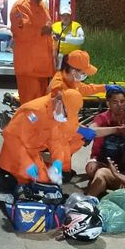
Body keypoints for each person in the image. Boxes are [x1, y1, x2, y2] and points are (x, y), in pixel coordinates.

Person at [0, 89, 83, 185]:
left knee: (44, 181)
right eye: (66, 114)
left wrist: (58, 161)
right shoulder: (34, 112)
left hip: (32, 154)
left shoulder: (55, 115)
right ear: (59, 102)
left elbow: (55, 140)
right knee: (19, 185)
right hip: (15, 153)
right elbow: (10, 136)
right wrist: (27, 163)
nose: (65, 118)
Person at [46, 50, 110, 180]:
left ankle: (62, 164)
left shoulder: (69, 78)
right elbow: (58, 120)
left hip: (64, 125)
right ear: (74, 71)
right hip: (53, 127)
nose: (85, 75)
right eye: (84, 72)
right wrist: (79, 128)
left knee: (80, 137)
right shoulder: (58, 87)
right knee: (71, 137)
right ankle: (60, 168)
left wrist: (105, 87)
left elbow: (84, 88)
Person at [10, 0, 55, 104]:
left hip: (43, 68)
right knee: (31, 110)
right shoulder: (21, 7)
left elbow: (48, 30)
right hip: (29, 69)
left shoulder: (43, 7)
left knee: (41, 109)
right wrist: (43, 30)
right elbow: (22, 32)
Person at [85, 84, 125, 179]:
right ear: (108, 103)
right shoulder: (102, 118)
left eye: (122, 101)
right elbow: (90, 131)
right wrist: (117, 130)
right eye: (115, 102)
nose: (119, 105)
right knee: (90, 168)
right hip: (100, 161)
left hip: (122, 162)